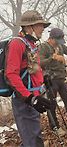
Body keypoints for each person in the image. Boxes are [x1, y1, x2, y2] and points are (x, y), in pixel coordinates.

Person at [5, 10, 51, 147]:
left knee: (32, 137)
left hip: (33, 99)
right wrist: (30, 98)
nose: (43, 28)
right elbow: (11, 74)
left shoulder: (30, 44)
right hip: (24, 101)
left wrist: (44, 80)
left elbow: (32, 69)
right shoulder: (17, 44)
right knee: (32, 141)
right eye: (40, 25)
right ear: (29, 27)